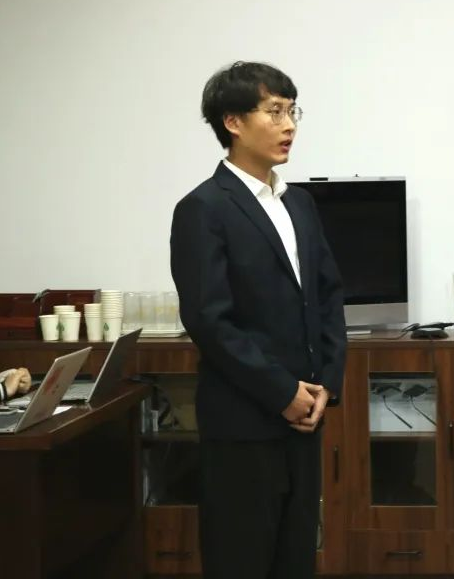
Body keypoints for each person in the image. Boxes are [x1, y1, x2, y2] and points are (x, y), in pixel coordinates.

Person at [170, 61, 348, 579]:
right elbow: (209, 320)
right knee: (241, 560)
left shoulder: (301, 204)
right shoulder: (203, 208)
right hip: (243, 425)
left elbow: (328, 297)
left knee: (296, 558)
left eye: (293, 112)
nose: (289, 125)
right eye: (274, 112)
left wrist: (325, 385)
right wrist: (281, 392)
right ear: (233, 122)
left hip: (304, 419)